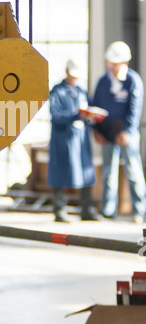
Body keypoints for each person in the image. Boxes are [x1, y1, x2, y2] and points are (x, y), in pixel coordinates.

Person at [92, 41, 146, 222]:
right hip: (106, 132)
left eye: (115, 63)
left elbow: (135, 109)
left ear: (125, 63)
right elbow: (95, 106)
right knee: (108, 171)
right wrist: (96, 130)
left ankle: (140, 210)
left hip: (126, 133)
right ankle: (108, 210)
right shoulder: (103, 81)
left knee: (133, 170)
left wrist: (127, 131)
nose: (111, 66)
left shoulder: (132, 81)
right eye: (110, 63)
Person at [47, 59, 99, 222]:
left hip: (80, 139)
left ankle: (86, 209)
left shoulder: (81, 92)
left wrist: (91, 118)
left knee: (85, 170)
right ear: (67, 72)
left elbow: (87, 111)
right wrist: (76, 115)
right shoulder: (57, 91)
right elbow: (56, 116)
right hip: (63, 140)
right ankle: (59, 209)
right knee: (60, 171)